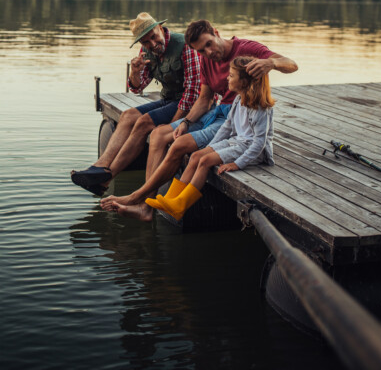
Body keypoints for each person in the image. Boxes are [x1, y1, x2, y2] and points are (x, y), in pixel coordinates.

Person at [101, 19, 297, 220]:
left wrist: (271, 62)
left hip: (233, 116)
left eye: (209, 44)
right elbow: (204, 99)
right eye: (201, 51)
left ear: (216, 32)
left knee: (179, 145)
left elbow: (292, 65)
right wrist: (185, 122)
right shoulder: (206, 59)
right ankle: (147, 207)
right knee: (159, 133)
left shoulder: (246, 49)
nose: (208, 53)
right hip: (216, 111)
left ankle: (138, 198)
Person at [71, 12, 201, 196]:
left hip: (189, 104)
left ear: (160, 28)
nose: (152, 44)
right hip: (168, 99)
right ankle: (100, 167)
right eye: (146, 42)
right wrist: (135, 72)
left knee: (144, 122)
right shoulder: (146, 51)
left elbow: (193, 94)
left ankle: (107, 177)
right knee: (128, 115)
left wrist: (173, 125)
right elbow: (137, 87)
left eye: (153, 37)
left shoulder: (185, 45)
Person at [144, 55, 275, 220]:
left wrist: (237, 164)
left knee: (205, 161)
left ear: (244, 82)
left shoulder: (260, 108)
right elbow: (227, 127)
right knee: (197, 156)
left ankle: (180, 205)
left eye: (232, 75)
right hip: (237, 142)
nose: (227, 78)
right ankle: (171, 199)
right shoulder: (238, 101)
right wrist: (210, 147)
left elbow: (259, 144)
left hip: (253, 151)